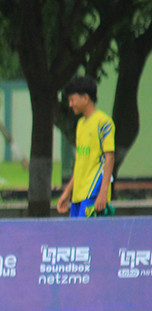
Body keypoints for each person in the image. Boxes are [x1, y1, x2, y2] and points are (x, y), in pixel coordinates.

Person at [56, 75, 116, 217]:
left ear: (85, 98)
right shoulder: (80, 125)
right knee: (75, 237)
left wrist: (103, 193)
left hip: (93, 193)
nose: (70, 104)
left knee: (87, 238)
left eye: (72, 100)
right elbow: (81, 162)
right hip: (78, 194)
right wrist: (67, 192)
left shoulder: (104, 122)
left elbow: (110, 157)